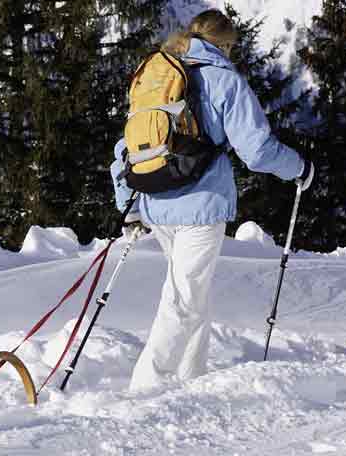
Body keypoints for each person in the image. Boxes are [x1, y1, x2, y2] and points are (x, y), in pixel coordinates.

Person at [109, 9, 314, 391]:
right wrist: (300, 168)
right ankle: (145, 386)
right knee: (184, 297)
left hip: (157, 200)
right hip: (200, 205)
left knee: (191, 290)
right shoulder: (224, 80)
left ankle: (192, 376)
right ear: (225, 44)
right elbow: (257, 151)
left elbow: (128, 144)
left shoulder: (160, 73)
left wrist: (130, 204)